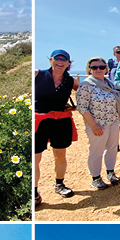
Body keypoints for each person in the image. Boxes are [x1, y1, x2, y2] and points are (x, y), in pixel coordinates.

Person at [34, 49, 78, 202]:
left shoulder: (71, 81)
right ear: (50, 60)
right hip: (39, 121)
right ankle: (34, 192)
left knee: (60, 155)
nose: (60, 61)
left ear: (68, 63)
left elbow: (86, 94)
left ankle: (59, 184)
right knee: (35, 157)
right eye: (57, 58)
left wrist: (76, 106)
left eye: (64, 59)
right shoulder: (37, 75)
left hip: (61, 121)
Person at [77, 57, 120, 190]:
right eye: (94, 67)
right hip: (98, 124)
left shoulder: (109, 83)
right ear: (89, 69)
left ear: (106, 69)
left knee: (112, 147)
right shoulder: (86, 85)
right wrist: (93, 125)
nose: (98, 70)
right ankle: (95, 177)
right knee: (96, 150)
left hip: (113, 121)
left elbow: (116, 100)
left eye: (101, 67)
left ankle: (110, 172)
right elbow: (82, 107)